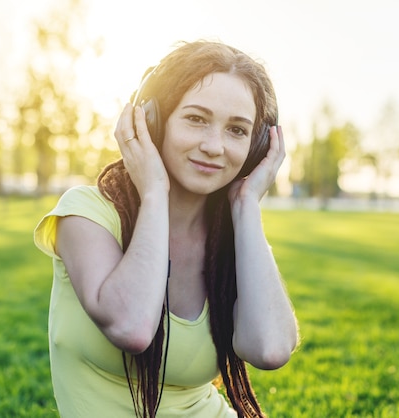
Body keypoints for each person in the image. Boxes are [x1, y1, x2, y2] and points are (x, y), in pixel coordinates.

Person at [34, 40, 299, 418]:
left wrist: (246, 207)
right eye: (195, 119)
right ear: (152, 120)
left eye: (237, 130)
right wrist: (155, 192)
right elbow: (133, 327)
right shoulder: (85, 215)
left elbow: (270, 350)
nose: (214, 146)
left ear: (257, 147)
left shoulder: (233, 241)